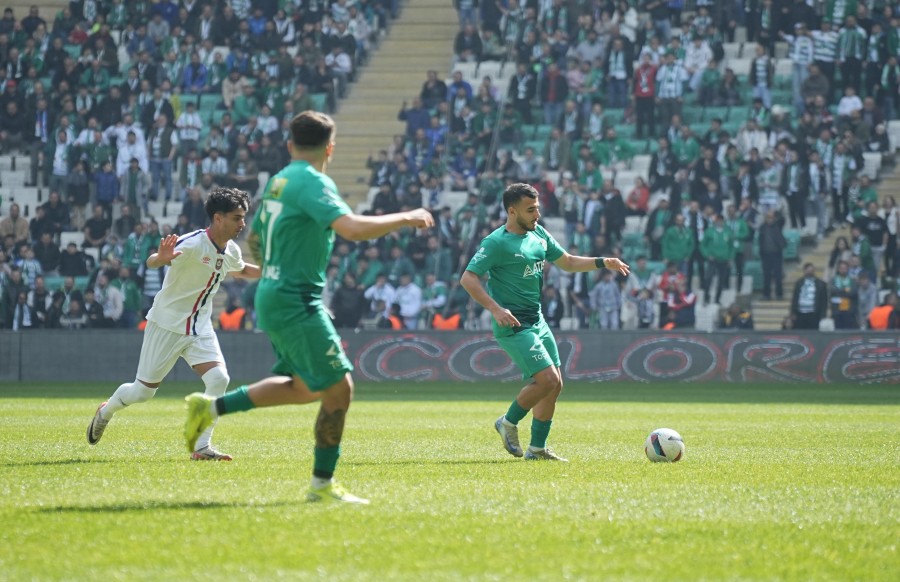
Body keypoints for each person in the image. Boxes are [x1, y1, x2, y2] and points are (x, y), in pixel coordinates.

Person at [183, 111, 434, 505]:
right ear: (330, 149)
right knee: (340, 389)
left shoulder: (278, 181)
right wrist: (407, 216)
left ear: (290, 145)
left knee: (305, 388)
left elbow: (255, 241)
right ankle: (322, 485)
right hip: (295, 297)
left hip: (275, 292)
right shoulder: (311, 181)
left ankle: (210, 408)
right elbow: (351, 228)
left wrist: (279, 268)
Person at [86, 188, 261, 461]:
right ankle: (106, 410)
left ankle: (201, 447)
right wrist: (161, 258)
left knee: (219, 379)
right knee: (142, 392)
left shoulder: (231, 250)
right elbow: (152, 261)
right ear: (218, 218)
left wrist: (274, 272)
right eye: (237, 218)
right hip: (167, 324)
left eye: (243, 218)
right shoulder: (192, 243)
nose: (242, 224)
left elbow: (241, 270)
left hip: (200, 327)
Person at [460, 183, 629, 463]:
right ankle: (507, 422)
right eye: (530, 210)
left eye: (537, 208)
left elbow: (568, 262)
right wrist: (495, 309)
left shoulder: (538, 233)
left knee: (556, 384)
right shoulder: (496, 242)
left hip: (537, 319)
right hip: (514, 324)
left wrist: (603, 262)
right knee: (546, 379)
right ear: (512, 212)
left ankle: (537, 449)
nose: (537, 214)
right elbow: (468, 278)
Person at [791, 263, 828, 330]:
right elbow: (795, 299)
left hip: (814, 314)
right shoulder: (799, 283)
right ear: (804, 271)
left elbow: (824, 301)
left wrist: (823, 315)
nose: (810, 272)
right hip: (800, 314)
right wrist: (793, 312)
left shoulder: (820, 284)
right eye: (808, 270)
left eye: (811, 270)